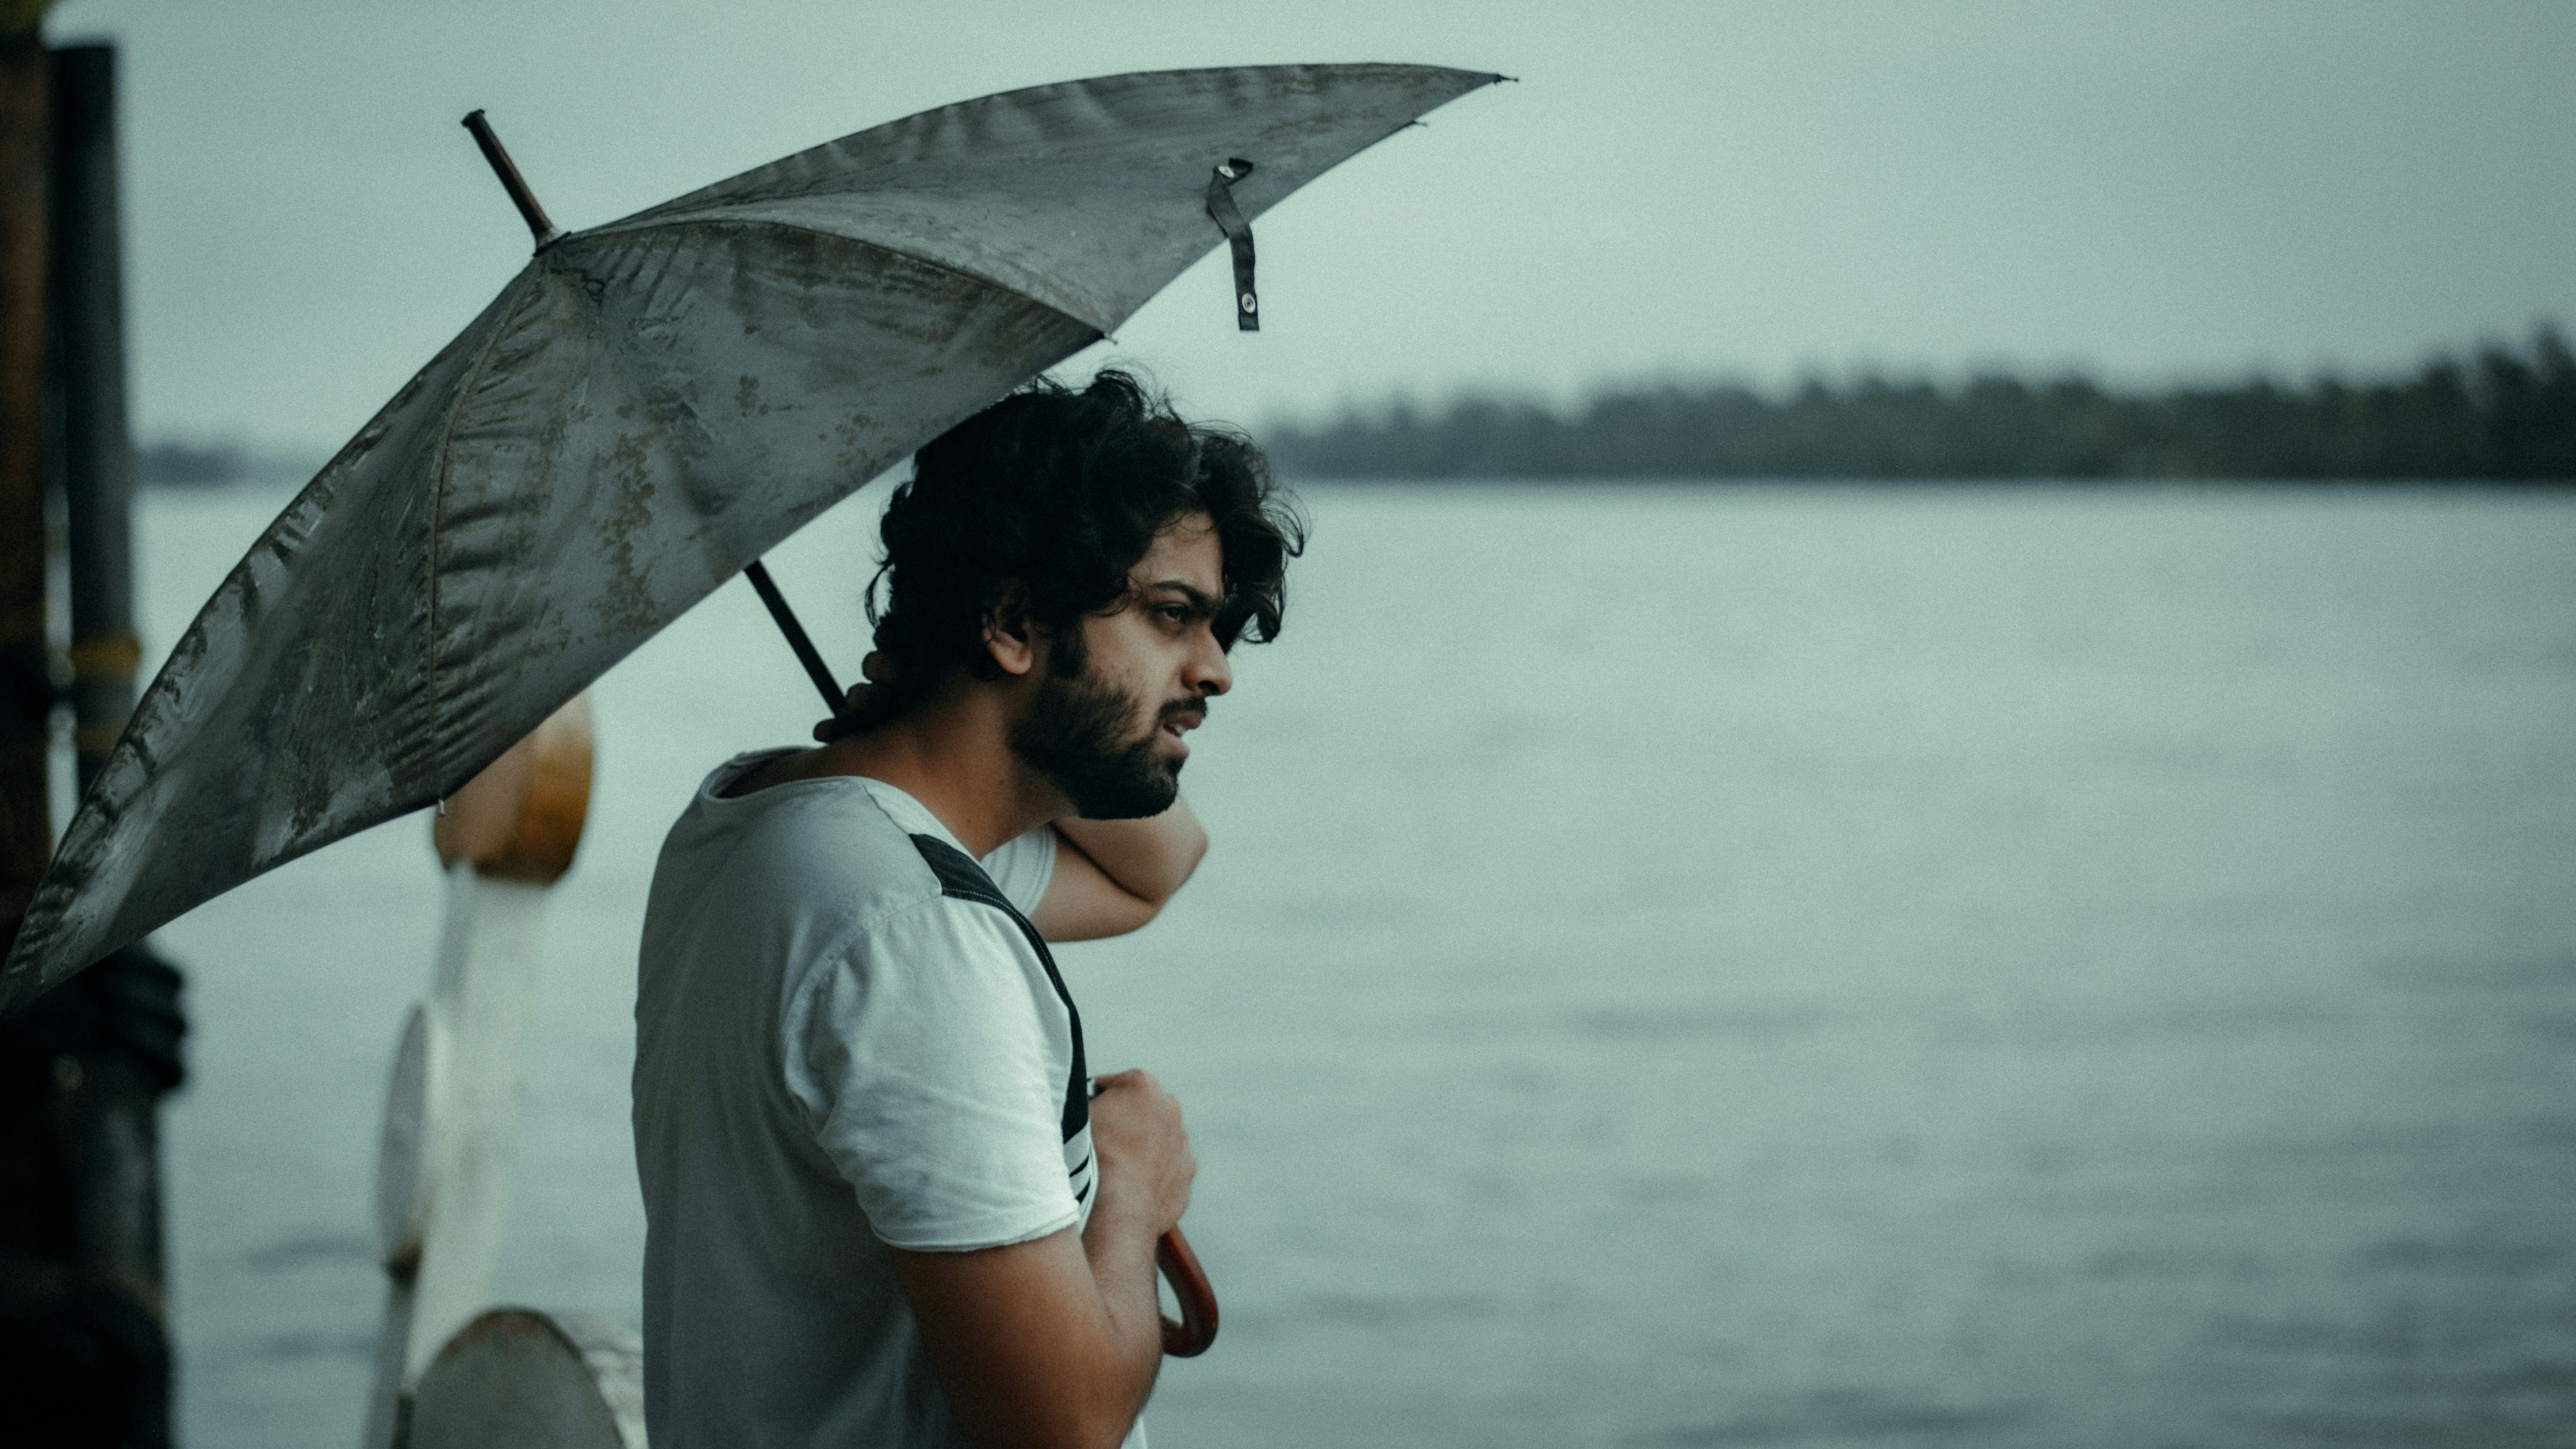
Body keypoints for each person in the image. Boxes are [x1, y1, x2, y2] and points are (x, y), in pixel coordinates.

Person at [632, 370, 1303, 1449]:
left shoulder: (758, 823)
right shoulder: (913, 933)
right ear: (1012, 620)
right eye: (1172, 616)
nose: (1215, 670)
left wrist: (930, 695)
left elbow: (1157, 869)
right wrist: (1132, 1190)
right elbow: (1066, 1424)